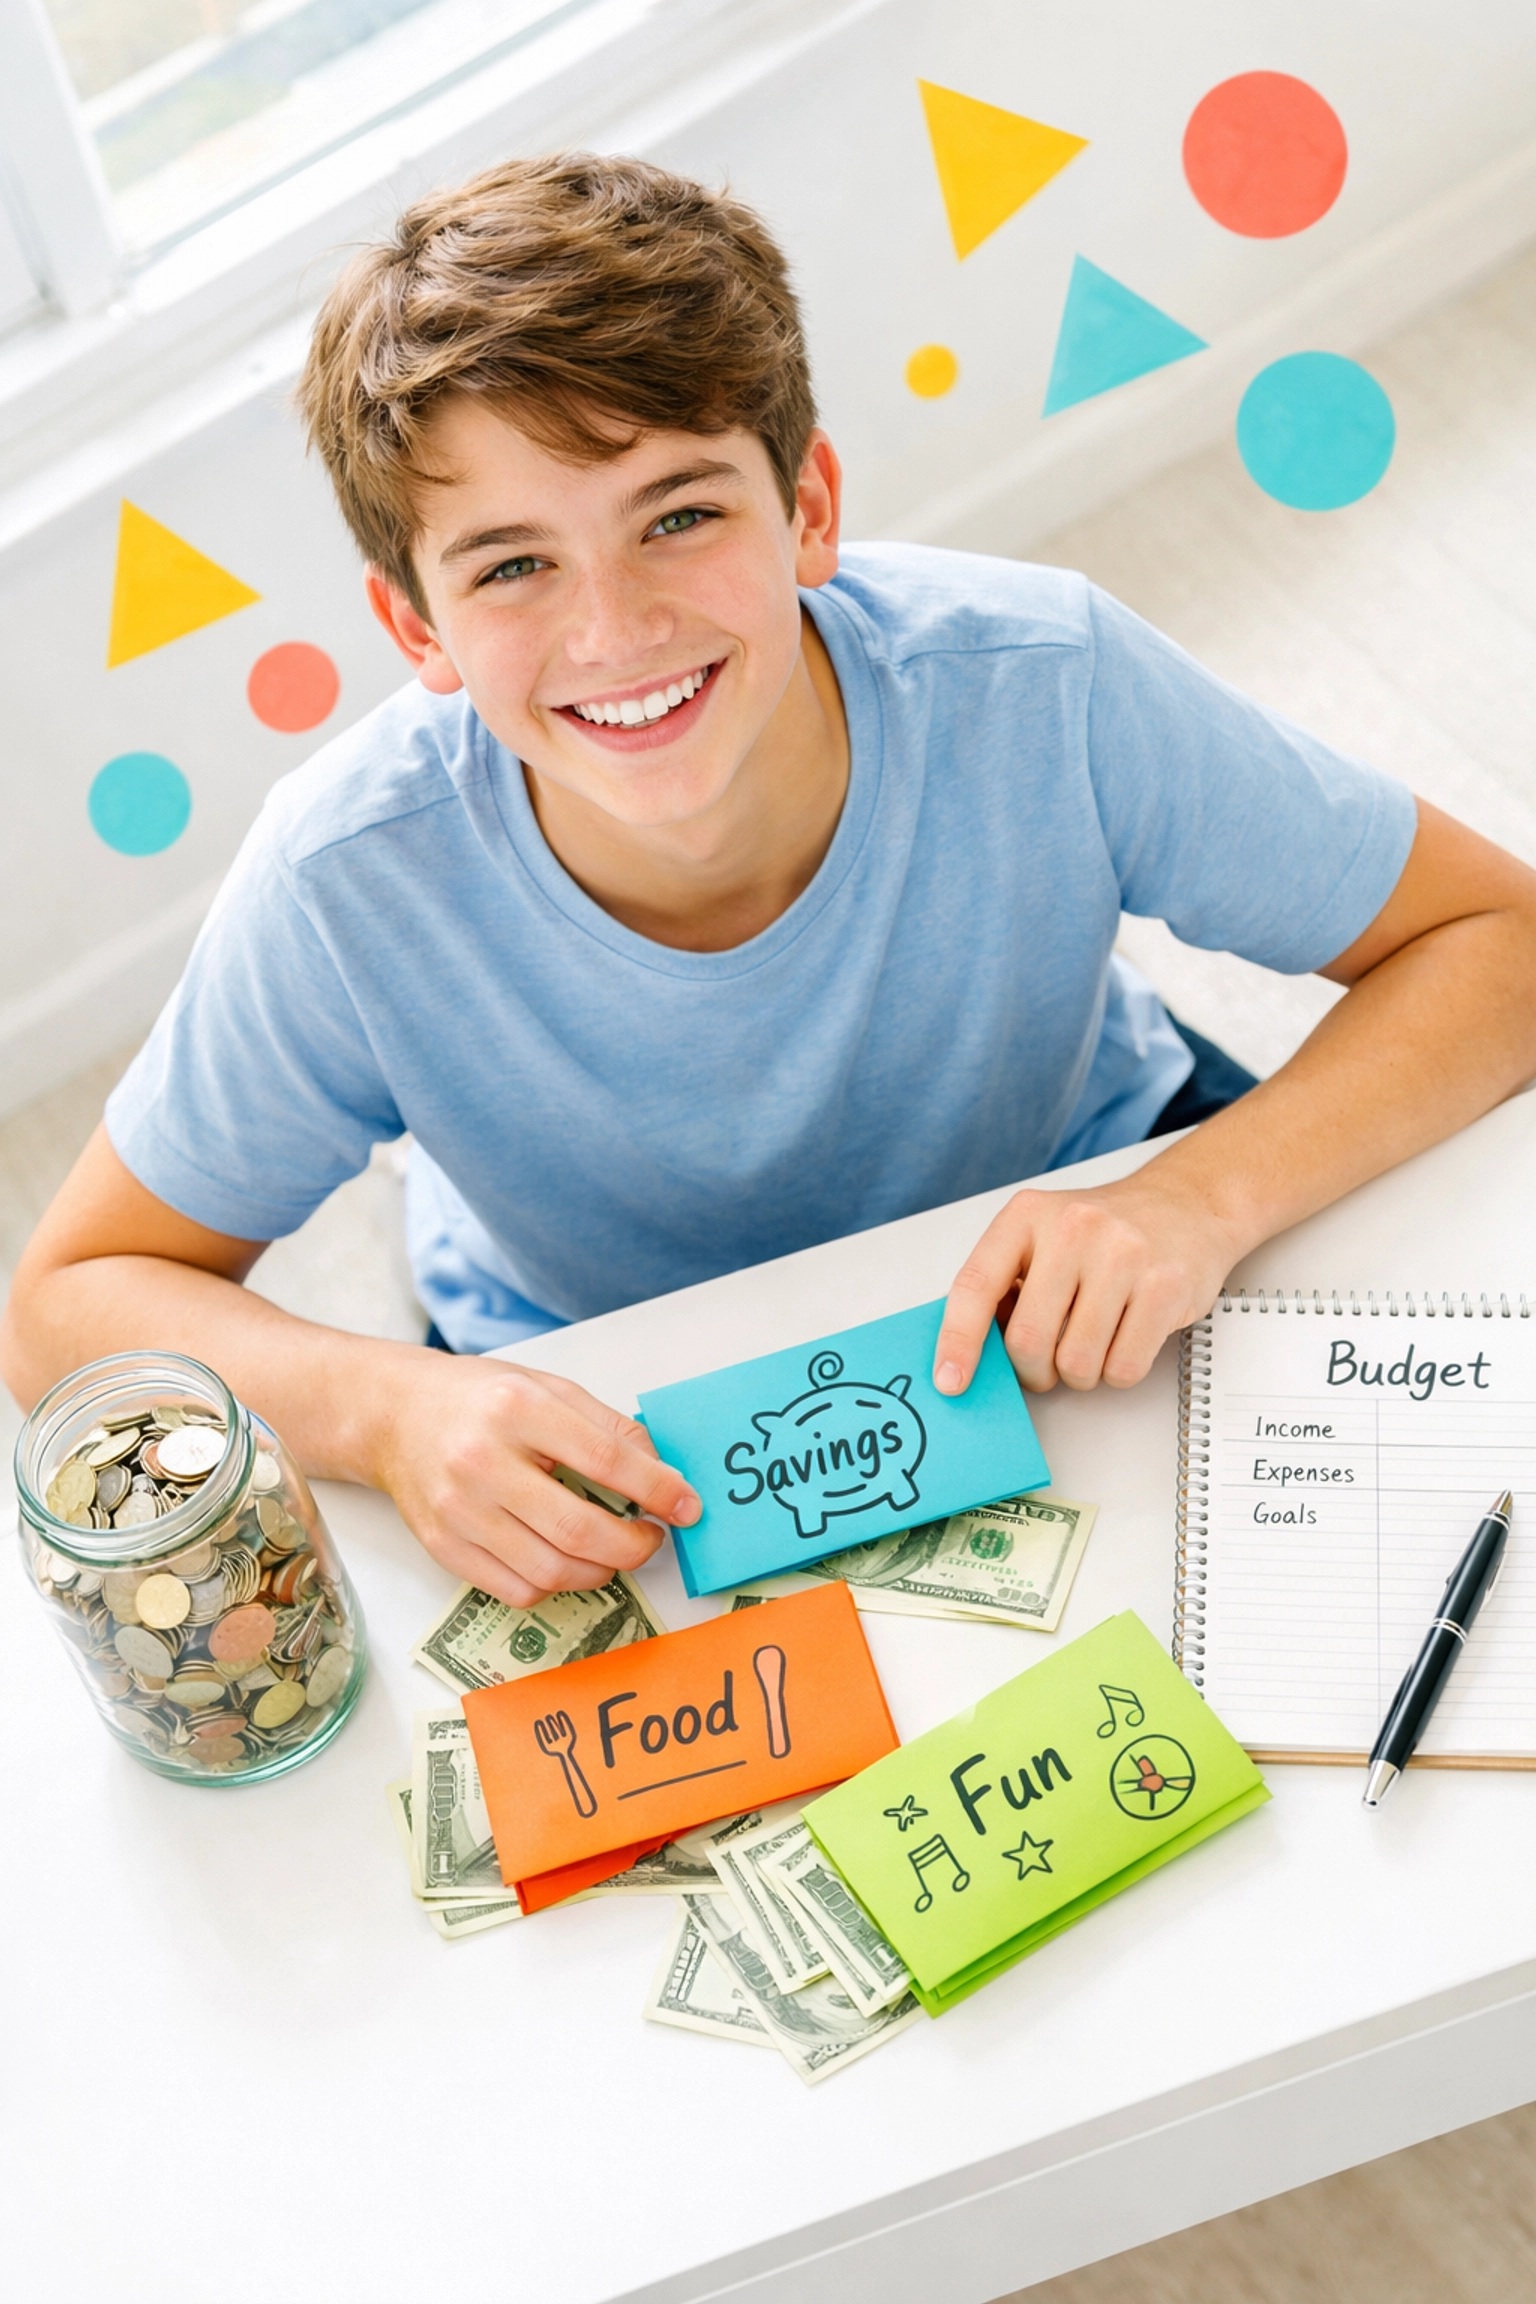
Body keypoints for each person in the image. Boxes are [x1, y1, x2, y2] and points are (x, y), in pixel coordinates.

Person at [6, 155, 1536, 1610]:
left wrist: (1200, 1197)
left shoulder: (1046, 680)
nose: (614, 632)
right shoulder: (344, 882)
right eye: (510, 566)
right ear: (417, 632)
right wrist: (380, 1409)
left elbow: (1501, 936)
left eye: (679, 515)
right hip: (597, 1359)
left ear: (807, 507)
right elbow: (70, 1304)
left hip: (1084, 1210)